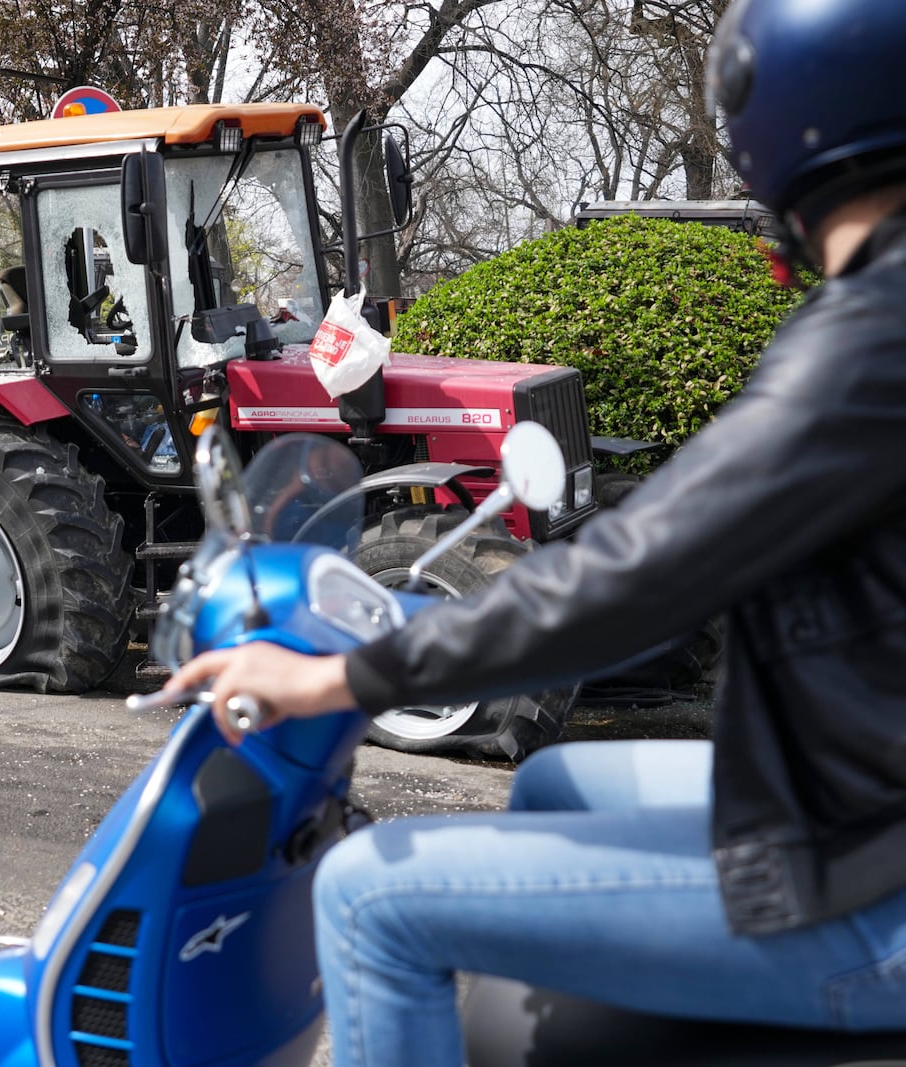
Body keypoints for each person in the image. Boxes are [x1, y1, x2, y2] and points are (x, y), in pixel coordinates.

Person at [160, 1, 906, 1063]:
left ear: (776, 128)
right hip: (859, 799)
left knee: (370, 895)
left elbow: (640, 569)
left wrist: (342, 677)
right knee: (554, 781)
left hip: (867, 892)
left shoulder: (870, 336)